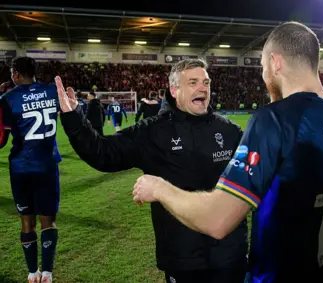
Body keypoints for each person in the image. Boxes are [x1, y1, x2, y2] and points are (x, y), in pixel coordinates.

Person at [132, 21, 323, 283]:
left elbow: (218, 219)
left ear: (276, 63)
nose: (263, 76)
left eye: (262, 67)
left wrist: (159, 188)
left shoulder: (274, 120)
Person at [55, 58, 248, 283]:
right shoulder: (153, 132)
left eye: (206, 82)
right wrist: (74, 119)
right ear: (174, 90)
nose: (202, 88)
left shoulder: (229, 131)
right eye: (193, 82)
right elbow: (103, 153)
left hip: (230, 256)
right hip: (182, 260)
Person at [0, 56, 61, 283]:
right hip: (47, 165)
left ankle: (32, 273)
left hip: (21, 168)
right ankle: (47, 273)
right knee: (48, 220)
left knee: (27, 221)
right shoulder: (52, 91)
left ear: (15, 73)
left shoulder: (8, 98)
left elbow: (1, 139)